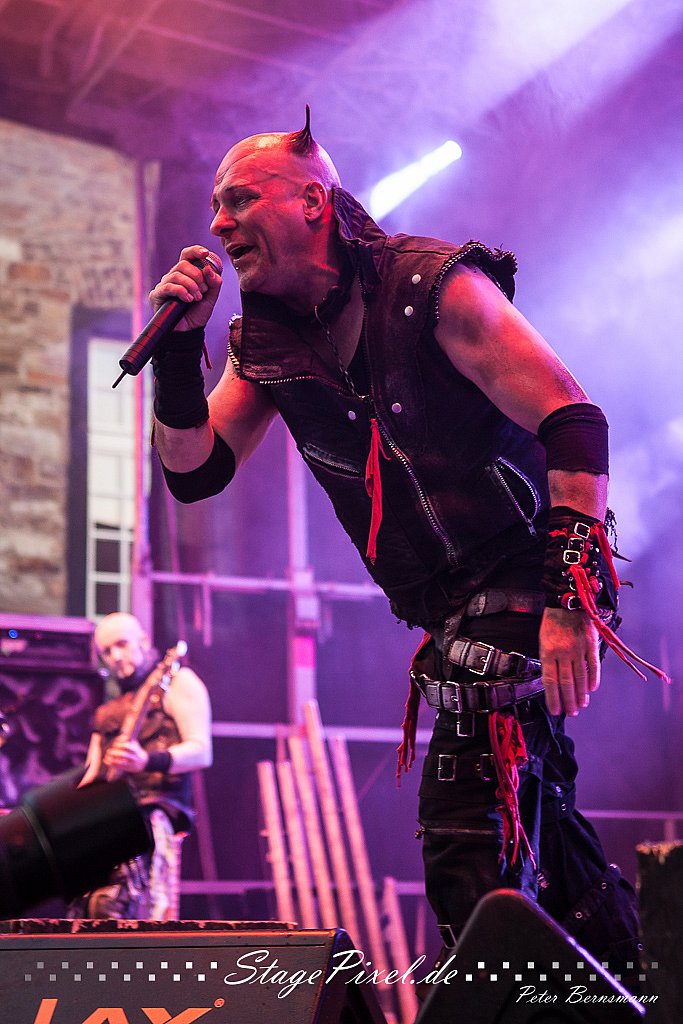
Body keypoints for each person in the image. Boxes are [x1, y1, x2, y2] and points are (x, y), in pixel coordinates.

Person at [148, 111, 663, 974]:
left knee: (466, 832)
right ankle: (626, 988)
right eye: (214, 206)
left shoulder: (430, 286)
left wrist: (570, 602)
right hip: (449, 609)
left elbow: (573, 419)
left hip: (527, 574)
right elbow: (194, 472)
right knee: (546, 836)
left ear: (312, 201)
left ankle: (490, 997)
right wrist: (175, 356)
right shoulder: (265, 341)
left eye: (239, 200)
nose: (218, 223)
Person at [71, 612, 212, 919]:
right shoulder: (108, 711)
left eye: (122, 644)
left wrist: (147, 761)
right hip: (111, 818)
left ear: (144, 641)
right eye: (106, 651)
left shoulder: (177, 683)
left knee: (115, 904)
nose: (115, 656)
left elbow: (202, 751)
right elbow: (92, 773)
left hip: (155, 814)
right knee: (82, 903)